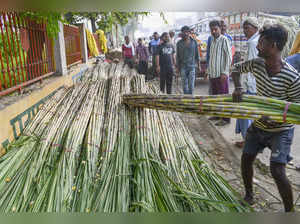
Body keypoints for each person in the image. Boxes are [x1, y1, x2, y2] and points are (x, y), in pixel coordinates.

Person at [232, 24, 300, 212]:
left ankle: (289, 211)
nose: (257, 46)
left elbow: (296, 110)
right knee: (246, 158)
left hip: (281, 130)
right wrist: (238, 87)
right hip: (260, 124)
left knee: (277, 171)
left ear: (275, 45)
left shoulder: (292, 77)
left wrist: (279, 119)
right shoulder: (256, 64)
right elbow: (236, 69)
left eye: (262, 42)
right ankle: (249, 195)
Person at [235, 17, 260, 148]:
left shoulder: (253, 43)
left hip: (250, 84)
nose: (244, 31)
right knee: (250, 114)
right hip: (254, 83)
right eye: (244, 28)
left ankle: (248, 142)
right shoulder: (255, 40)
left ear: (255, 28)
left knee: (246, 113)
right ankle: (249, 140)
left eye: (247, 28)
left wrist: (243, 86)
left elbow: (250, 65)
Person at [207, 20, 232, 126]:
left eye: (215, 29)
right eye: (211, 29)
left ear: (220, 29)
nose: (213, 31)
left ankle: (226, 119)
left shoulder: (224, 40)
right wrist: (208, 71)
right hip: (213, 74)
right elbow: (211, 57)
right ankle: (217, 114)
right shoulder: (212, 40)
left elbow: (229, 57)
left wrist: (225, 72)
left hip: (221, 75)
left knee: (224, 97)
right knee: (215, 96)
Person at [176, 25, 201, 95]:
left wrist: (199, 66)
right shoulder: (179, 43)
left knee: (191, 85)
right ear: (182, 33)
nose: (185, 34)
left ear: (189, 33)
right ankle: (186, 98)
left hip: (192, 66)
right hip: (183, 67)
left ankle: (191, 98)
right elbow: (177, 56)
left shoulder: (194, 42)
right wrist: (177, 68)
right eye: (184, 32)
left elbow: (197, 55)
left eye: (187, 32)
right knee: (184, 85)